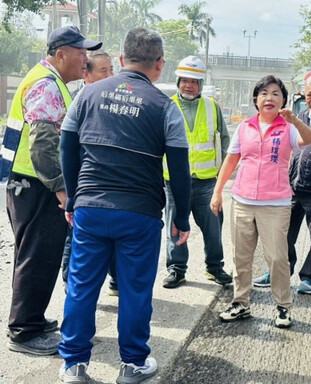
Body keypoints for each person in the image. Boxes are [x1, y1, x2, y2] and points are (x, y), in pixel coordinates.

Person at [57, 28, 191, 383]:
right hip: (140, 213)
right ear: (160, 65)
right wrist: (181, 217)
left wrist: (74, 197)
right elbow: (180, 169)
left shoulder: (86, 95)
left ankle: (73, 365)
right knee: (135, 290)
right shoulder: (166, 108)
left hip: (91, 206)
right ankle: (132, 365)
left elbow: (67, 149)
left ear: (120, 59)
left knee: (82, 285)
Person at [0, 26, 101, 356]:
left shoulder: (48, 80)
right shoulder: (46, 85)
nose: (85, 58)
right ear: (61, 54)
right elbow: (43, 145)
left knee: (36, 255)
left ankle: (32, 318)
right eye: (81, 52)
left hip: (28, 184)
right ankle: (24, 332)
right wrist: (61, 188)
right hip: (37, 186)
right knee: (37, 257)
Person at [210, 75, 311, 328]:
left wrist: (295, 120)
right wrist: (217, 191)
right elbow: (231, 159)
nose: (269, 98)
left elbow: (308, 139)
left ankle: (282, 306)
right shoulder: (245, 127)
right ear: (256, 99)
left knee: (277, 257)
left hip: (275, 203)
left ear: (284, 101)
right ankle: (240, 303)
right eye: (264, 93)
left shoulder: (288, 127)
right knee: (241, 257)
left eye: (276, 93)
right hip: (243, 200)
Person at [252, 74, 311, 295]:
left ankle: (310, 277)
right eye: (309, 94)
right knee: (284, 233)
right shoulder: (301, 115)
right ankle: (280, 272)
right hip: (294, 185)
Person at [162, 55, 232, 289]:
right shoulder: (167, 106)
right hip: (174, 182)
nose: (188, 85)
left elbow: (224, 141)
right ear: (178, 81)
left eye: (193, 81)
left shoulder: (212, 107)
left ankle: (214, 267)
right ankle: (177, 269)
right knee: (174, 227)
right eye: (184, 80)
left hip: (206, 183)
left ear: (200, 84)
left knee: (213, 226)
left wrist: (221, 179)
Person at [61, 50, 117, 295]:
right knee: (76, 239)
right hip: (85, 185)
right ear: (87, 74)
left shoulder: (115, 100)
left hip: (109, 182)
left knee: (114, 235)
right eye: (103, 71)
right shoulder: (79, 102)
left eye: (111, 70)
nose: (110, 75)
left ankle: (116, 278)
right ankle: (70, 281)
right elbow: (68, 149)